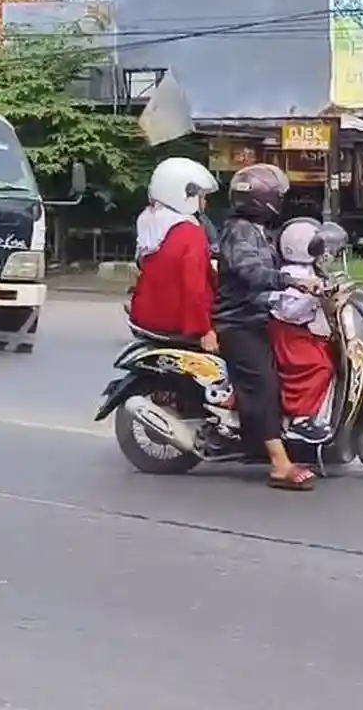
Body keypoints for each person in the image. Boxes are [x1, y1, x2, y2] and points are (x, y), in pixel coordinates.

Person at [213, 162, 322, 491]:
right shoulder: (240, 231)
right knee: (263, 385)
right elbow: (253, 273)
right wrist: (292, 283)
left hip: (261, 315)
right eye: (276, 195)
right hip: (239, 320)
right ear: (261, 199)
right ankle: (279, 464)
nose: (280, 200)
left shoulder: (259, 230)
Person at [267, 217, 345, 445]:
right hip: (288, 334)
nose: (326, 254)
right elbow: (289, 311)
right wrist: (314, 296)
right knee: (319, 366)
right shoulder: (292, 273)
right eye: (320, 248)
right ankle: (299, 420)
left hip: (302, 333)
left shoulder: (310, 270)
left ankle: (318, 414)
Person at [129, 157, 220, 353]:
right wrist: (204, 330)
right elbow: (194, 287)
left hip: (147, 316)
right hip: (177, 321)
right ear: (185, 194)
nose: (205, 202)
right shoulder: (189, 233)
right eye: (202, 196)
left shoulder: (150, 223)